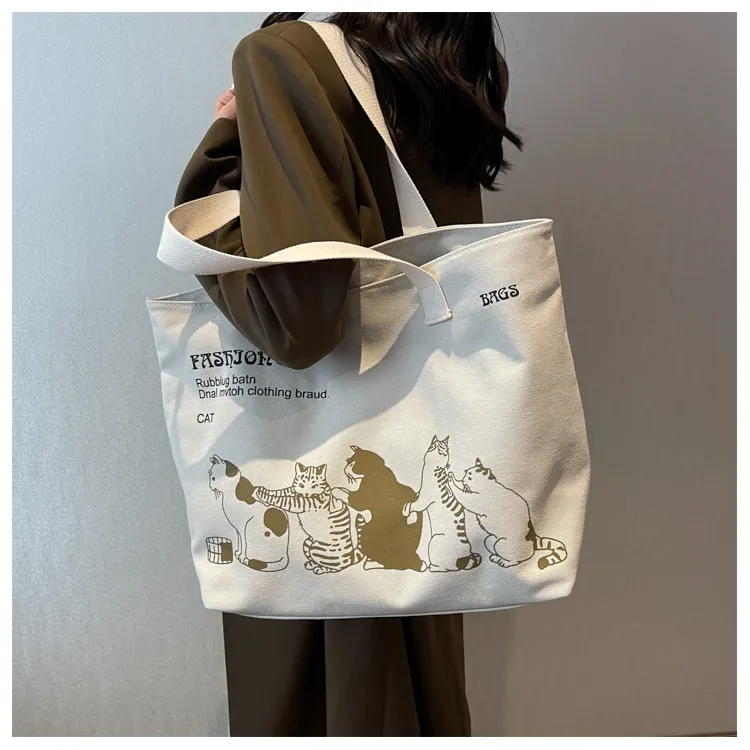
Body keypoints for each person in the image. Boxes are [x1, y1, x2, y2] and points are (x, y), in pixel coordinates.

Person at [174, 12, 521, 737]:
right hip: (424, 460)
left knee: (328, 703)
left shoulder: (284, 57)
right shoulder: (445, 66)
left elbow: (296, 324)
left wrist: (224, 144)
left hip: (322, 488)